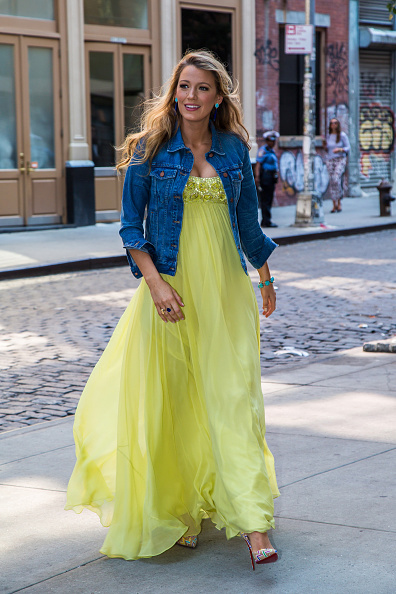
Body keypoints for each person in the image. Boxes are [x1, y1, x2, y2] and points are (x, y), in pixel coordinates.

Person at [65, 50, 280, 569]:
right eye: (184, 86)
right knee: (176, 402)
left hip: (227, 291)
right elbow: (130, 231)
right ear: (173, 90)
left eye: (202, 88)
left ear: (218, 97)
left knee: (232, 398)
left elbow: (248, 223)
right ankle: (181, 507)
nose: (191, 96)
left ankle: (253, 525)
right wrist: (157, 286)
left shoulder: (233, 149)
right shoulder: (150, 151)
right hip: (171, 294)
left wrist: (266, 275)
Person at [324, 118, 350, 212]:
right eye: (331, 123)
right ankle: (334, 204)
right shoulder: (328, 136)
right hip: (330, 159)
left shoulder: (342, 135)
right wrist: (324, 146)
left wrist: (340, 149)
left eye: (335, 123)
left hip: (340, 159)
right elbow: (328, 149)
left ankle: (339, 202)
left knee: (336, 178)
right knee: (332, 181)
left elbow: (348, 147)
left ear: (338, 125)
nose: (333, 125)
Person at [254, 131, 280, 228]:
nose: (272, 143)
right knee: (265, 199)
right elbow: (258, 164)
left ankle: (267, 220)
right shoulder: (263, 150)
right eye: (270, 141)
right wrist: (257, 177)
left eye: (274, 141)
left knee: (269, 199)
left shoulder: (271, 151)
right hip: (265, 176)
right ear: (267, 141)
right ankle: (266, 221)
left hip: (271, 177)